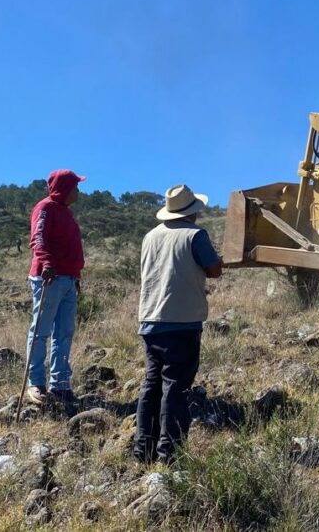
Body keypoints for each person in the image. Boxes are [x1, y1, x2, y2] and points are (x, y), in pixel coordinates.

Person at [134, 184, 222, 463]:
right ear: (192, 212)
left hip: (150, 319)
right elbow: (214, 270)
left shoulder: (150, 236)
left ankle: (142, 449)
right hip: (182, 320)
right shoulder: (195, 235)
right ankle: (169, 453)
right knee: (176, 387)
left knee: (152, 384)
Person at [25, 169, 86, 414]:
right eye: (75, 187)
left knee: (64, 332)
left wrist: (76, 275)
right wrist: (47, 263)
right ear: (65, 188)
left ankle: (60, 385)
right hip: (48, 278)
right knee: (41, 331)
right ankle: (36, 383)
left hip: (68, 279)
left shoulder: (66, 212)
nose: (78, 191)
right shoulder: (45, 208)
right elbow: (38, 238)